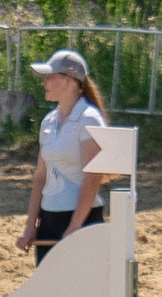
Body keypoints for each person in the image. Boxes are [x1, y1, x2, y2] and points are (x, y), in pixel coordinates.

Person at [15, 49, 108, 264]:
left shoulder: (89, 119)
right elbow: (40, 176)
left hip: (82, 218)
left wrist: (75, 227)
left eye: (49, 77)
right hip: (50, 218)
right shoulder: (48, 121)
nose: (43, 83)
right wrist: (31, 225)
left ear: (68, 80)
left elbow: (93, 176)